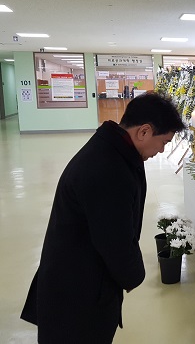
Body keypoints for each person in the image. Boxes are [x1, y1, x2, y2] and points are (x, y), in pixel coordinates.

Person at [21, 92, 185, 343]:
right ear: (144, 131)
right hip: (76, 294)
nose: (162, 150)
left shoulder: (114, 148)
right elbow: (113, 240)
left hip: (80, 281)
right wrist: (134, 275)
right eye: (163, 141)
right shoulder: (107, 168)